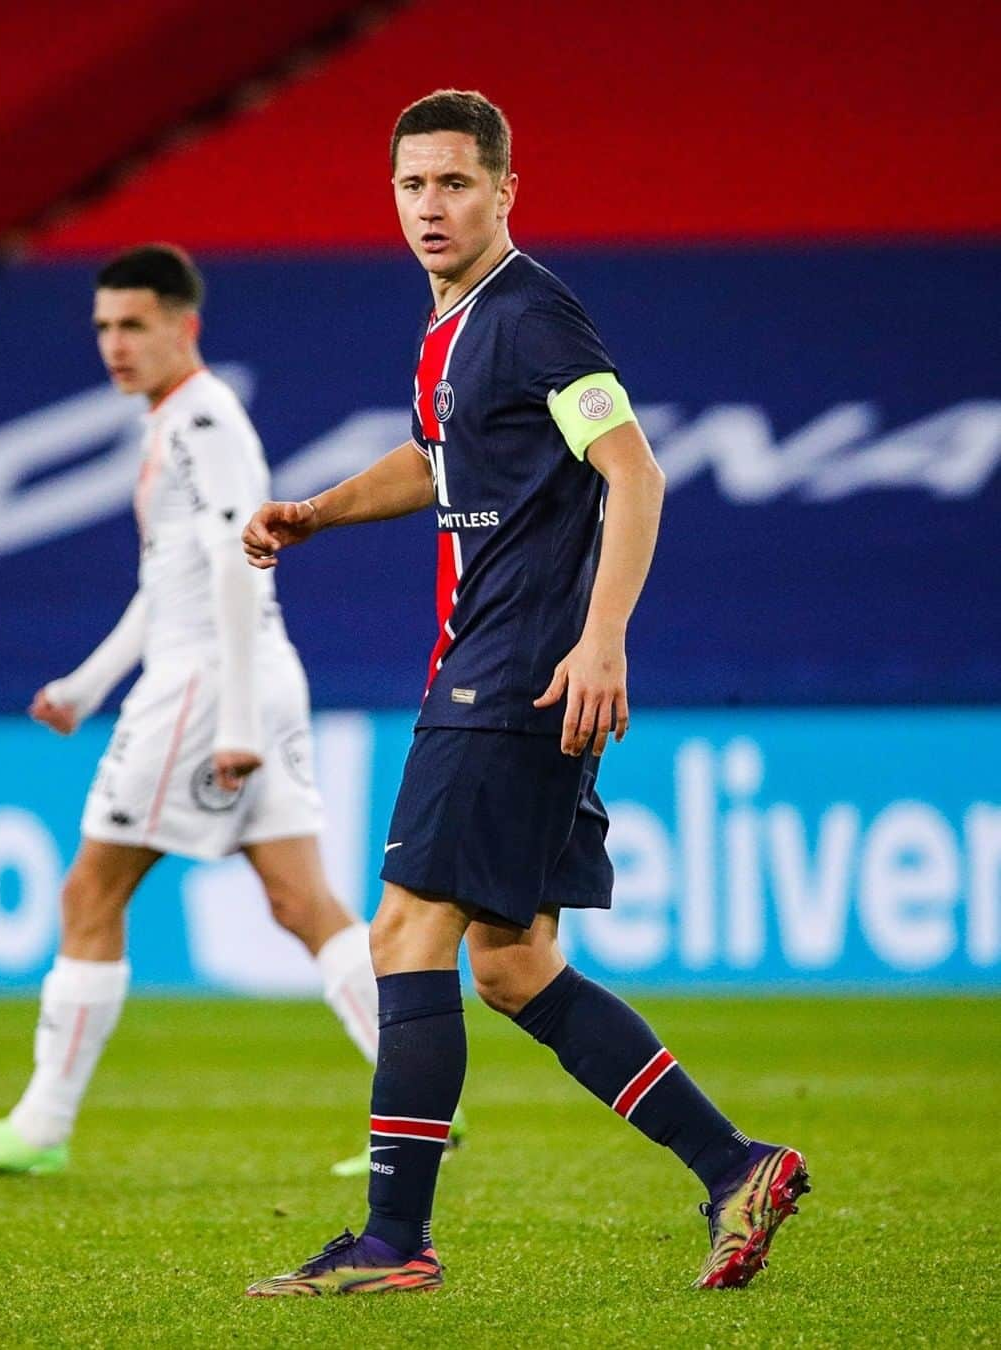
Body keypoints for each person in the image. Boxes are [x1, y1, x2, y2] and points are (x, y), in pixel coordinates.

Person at [240, 91, 809, 1296]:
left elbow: (633, 471)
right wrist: (320, 511)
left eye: (454, 184)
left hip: (516, 671)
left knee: (405, 934)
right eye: (412, 186)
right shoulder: (451, 327)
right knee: (508, 965)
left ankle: (396, 1239)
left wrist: (604, 639)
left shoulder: (533, 313)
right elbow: (436, 456)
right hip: (508, 668)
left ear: (506, 190)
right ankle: (734, 1166)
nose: (430, 207)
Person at [0, 244, 398, 1178]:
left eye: (134, 324)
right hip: (247, 671)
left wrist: (232, 728)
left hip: (207, 683)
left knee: (88, 892)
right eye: (102, 326)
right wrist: (88, 684)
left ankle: (41, 1124)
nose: (114, 344)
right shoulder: (175, 422)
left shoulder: (203, 422)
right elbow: (171, 576)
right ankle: (422, 1101)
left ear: (186, 326)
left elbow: (233, 559)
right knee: (303, 901)